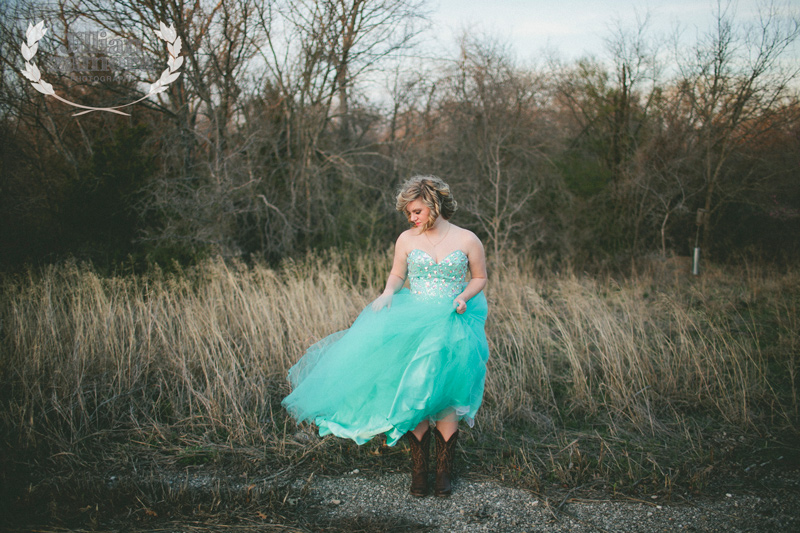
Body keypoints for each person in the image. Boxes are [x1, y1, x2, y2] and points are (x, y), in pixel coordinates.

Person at [281, 175, 489, 497]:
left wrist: (463, 297)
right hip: (412, 320)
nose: (411, 217)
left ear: (433, 205)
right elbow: (397, 274)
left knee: (446, 393)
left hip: (451, 321)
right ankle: (419, 473)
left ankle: (443, 473)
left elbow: (479, 277)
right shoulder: (406, 239)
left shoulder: (467, 239)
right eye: (409, 212)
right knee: (414, 391)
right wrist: (388, 292)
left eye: (416, 210)